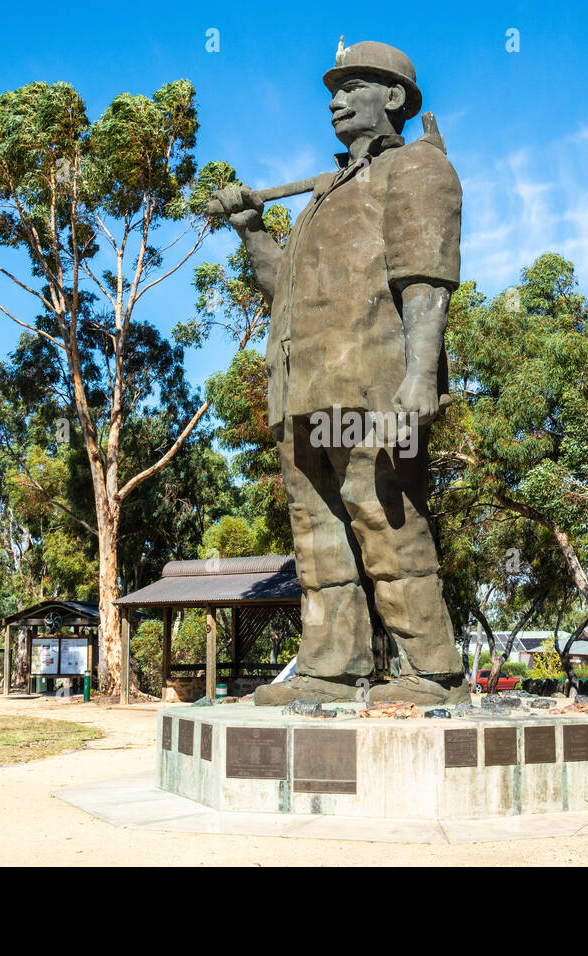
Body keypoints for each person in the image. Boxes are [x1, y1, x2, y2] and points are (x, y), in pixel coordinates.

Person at [213, 40, 468, 706]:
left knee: (387, 518)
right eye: (332, 88)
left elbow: (426, 278)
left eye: (352, 85)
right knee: (316, 532)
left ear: (392, 98)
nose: (334, 99)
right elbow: (285, 292)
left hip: (374, 383)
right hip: (303, 386)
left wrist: (419, 376)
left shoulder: (417, 168)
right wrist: (252, 233)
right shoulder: (325, 195)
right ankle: (331, 664)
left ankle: (432, 671)